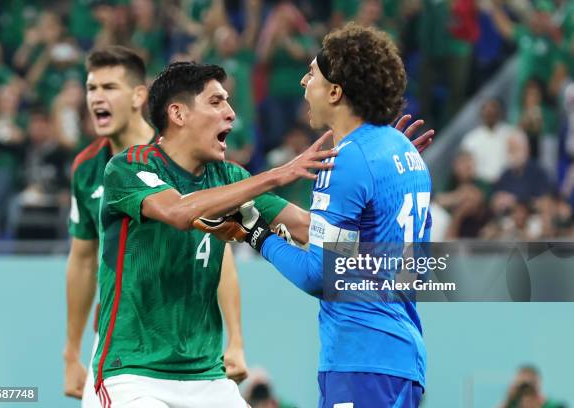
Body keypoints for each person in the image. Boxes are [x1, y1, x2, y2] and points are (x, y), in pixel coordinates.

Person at [91, 60, 338, 407]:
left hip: (206, 375)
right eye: (216, 102)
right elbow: (177, 211)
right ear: (178, 114)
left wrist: (378, 212)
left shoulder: (229, 178)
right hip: (133, 372)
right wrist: (276, 175)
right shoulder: (128, 167)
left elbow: (306, 227)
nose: (232, 113)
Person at [232, 23, 433, 407]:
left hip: (360, 361)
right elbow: (416, 268)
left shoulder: (346, 160)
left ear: (336, 92)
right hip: (404, 362)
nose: (304, 82)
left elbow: (319, 276)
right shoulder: (405, 154)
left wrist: (256, 235)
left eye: (312, 74)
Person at [63, 47, 251, 407]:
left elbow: (218, 251)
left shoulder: (184, 150)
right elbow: (83, 259)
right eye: (91, 88)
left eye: (109, 87)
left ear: (138, 96)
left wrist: (236, 340)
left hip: (192, 353)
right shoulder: (88, 167)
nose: (96, 98)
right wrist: (71, 351)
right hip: (127, 347)